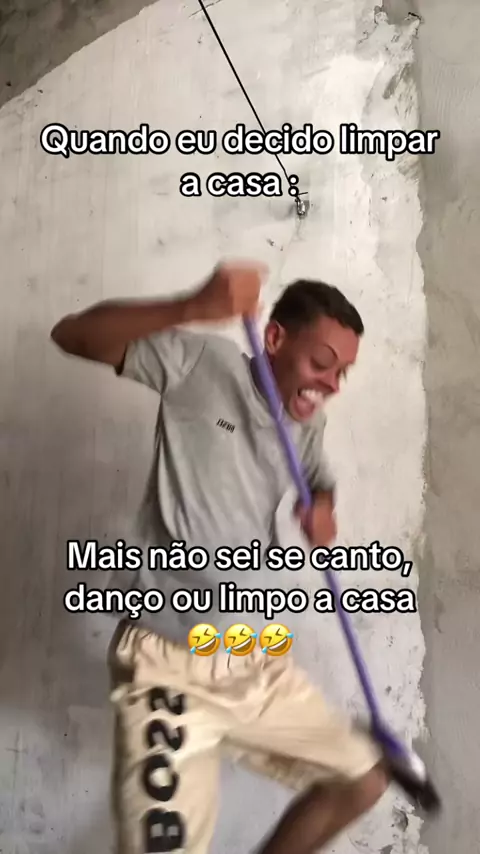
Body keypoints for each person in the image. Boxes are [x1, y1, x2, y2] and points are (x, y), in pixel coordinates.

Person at [51, 260, 389, 854]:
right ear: (275, 339)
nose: (333, 383)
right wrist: (191, 306)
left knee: (361, 781)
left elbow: (317, 477)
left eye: (343, 372)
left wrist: (322, 507)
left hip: (251, 657)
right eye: (322, 363)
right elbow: (73, 334)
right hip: (169, 665)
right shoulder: (201, 365)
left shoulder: (305, 423)